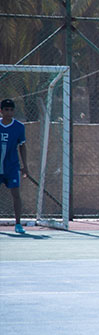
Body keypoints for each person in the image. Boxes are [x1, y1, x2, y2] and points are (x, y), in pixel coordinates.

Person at [0, 98, 28, 234]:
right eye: (6, 110)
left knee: (16, 194)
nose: (9, 113)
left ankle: (18, 224)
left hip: (12, 167)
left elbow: (22, 146)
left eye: (11, 110)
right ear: (1, 111)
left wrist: (25, 166)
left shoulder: (19, 127)